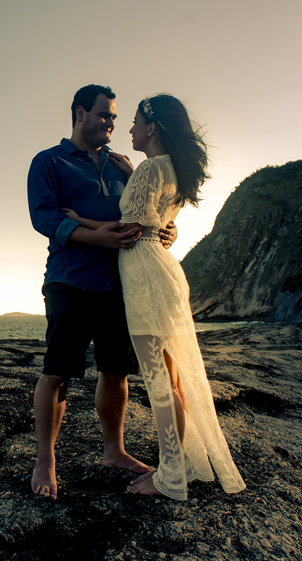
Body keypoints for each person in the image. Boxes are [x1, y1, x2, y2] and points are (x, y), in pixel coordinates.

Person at [63, 94, 246, 500]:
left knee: (158, 381)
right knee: (168, 379)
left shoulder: (149, 169)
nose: (128, 129)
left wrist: (79, 221)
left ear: (152, 128)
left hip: (146, 276)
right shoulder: (170, 171)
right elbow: (156, 225)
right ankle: (177, 466)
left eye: (134, 122)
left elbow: (128, 230)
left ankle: (171, 477)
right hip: (161, 271)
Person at [26, 84, 177, 500]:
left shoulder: (123, 165)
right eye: (103, 115)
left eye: (115, 117)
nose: (111, 122)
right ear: (79, 114)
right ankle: (45, 460)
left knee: (115, 370)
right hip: (70, 280)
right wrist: (98, 239)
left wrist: (169, 228)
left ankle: (115, 450)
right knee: (57, 372)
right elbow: (43, 218)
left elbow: (149, 212)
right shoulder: (48, 162)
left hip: (122, 283)